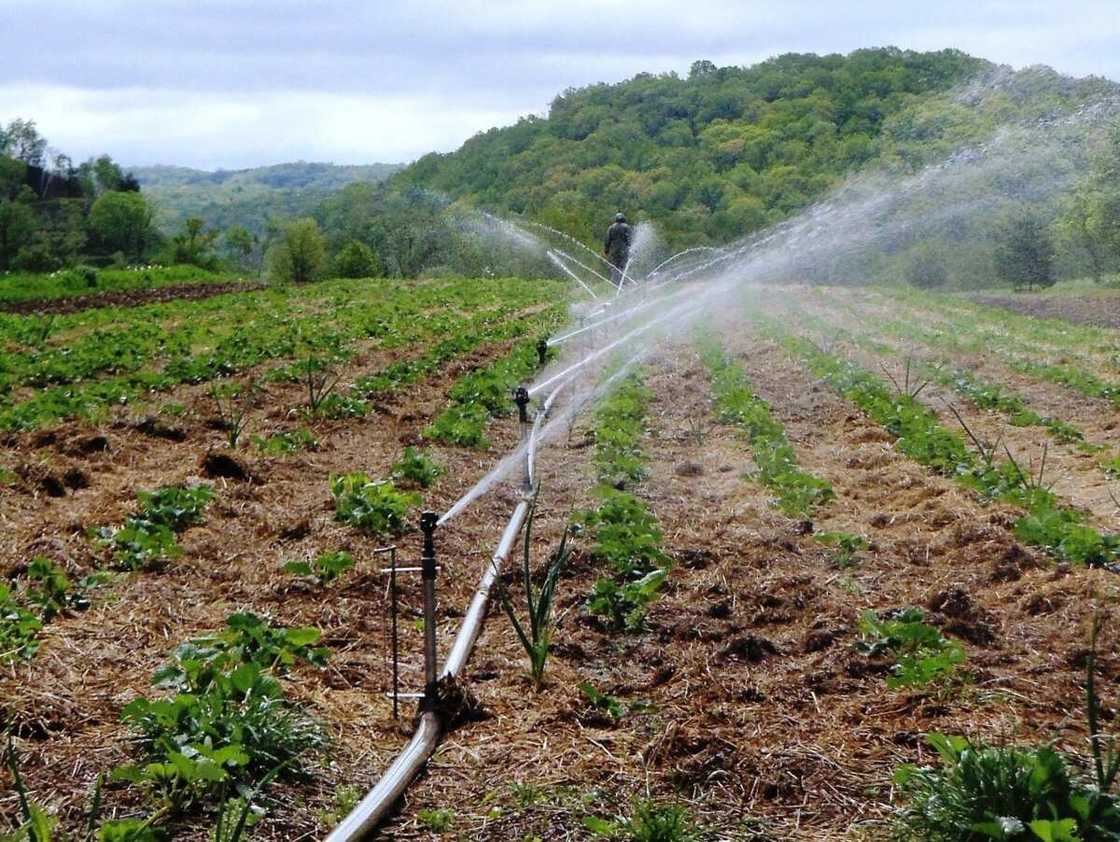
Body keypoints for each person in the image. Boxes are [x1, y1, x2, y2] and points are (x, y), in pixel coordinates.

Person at [603, 212, 632, 286]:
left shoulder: (611, 228)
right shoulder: (626, 227)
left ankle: (615, 283)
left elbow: (607, 240)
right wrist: (630, 248)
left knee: (615, 267)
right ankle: (624, 282)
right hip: (623, 250)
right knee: (623, 266)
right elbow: (629, 239)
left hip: (614, 251)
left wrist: (606, 250)